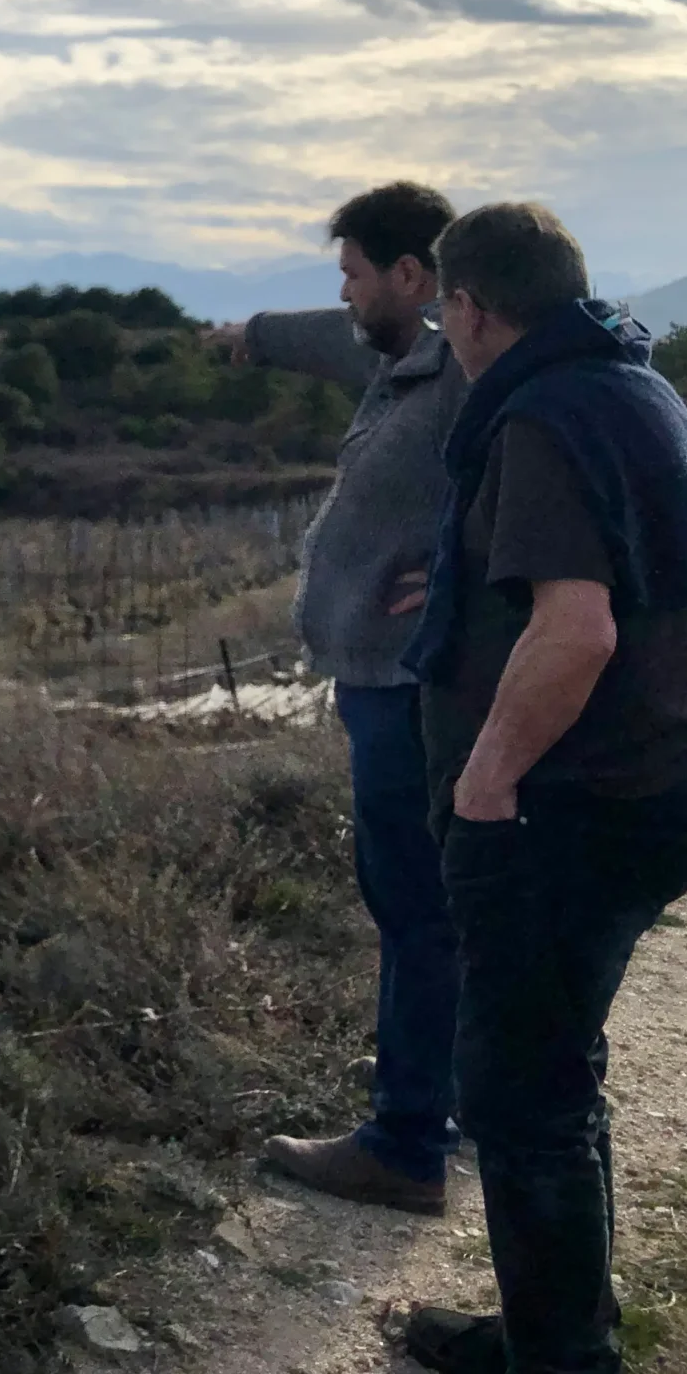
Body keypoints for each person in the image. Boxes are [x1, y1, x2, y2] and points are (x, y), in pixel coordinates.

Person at [395, 202, 687, 1374]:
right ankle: (549, 1341)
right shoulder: (632, 385)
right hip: (646, 793)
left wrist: (483, 783)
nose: (447, 332)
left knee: (521, 1097)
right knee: (554, 1080)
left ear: (473, 307)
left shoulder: (538, 415)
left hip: (566, 811)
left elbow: (576, 628)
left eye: (446, 313)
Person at [209, 182, 470, 1214]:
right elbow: (332, 338)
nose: (347, 295)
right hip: (383, 680)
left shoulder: (464, 373)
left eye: (356, 274)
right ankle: (465, 1110)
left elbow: (544, 479)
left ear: (413, 277)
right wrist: (251, 336)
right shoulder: (404, 352)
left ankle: (407, 1144)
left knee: (417, 914)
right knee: (437, 910)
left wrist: (464, 569)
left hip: (412, 686)